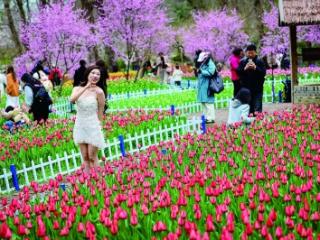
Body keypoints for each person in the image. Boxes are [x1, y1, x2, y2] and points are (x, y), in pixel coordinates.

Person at [70, 65, 106, 172]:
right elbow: (72, 100)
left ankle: (98, 181)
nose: (95, 76)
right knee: (85, 157)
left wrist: (100, 127)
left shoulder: (99, 92)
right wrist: (86, 87)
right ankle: (87, 181)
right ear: (88, 74)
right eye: (93, 73)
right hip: (80, 125)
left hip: (93, 126)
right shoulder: (77, 89)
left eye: (98, 74)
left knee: (91, 156)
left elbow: (100, 111)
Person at [237, 44, 266, 115]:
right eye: (248, 53)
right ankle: (249, 115)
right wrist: (245, 68)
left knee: (257, 103)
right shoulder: (243, 62)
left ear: (255, 52)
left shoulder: (260, 61)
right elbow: (239, 72)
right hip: (246, 86)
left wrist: (255, 68)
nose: (250, 55)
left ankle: (258, 116)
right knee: (248, 104)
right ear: (246, 52)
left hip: (257, 86)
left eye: (252, 53)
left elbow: (263, 73)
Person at [197, 51, 216, 123]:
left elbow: (211, 72)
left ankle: (211, 118)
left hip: (208, 86)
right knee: (204, 102)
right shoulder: (204, 63)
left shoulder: (211, 64)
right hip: (202, 86)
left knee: (209, 102)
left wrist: (202, 71)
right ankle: (205, 117)